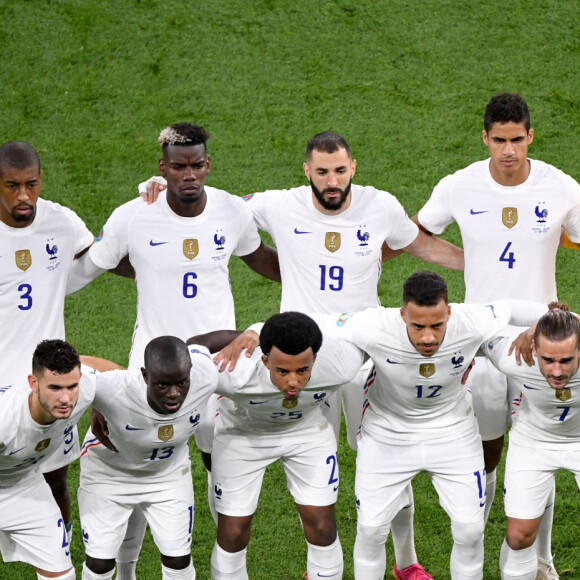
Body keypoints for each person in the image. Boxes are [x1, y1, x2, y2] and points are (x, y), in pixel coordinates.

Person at [141, 130, 465, 579]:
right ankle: (320, 564)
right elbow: (214, 203)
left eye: (339, 171)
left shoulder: (381, 205)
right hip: (304, 359)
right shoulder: (279, 204)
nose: (331, 181)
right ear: (307, 171)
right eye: (321, 172)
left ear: (353, 167)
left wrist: (480, 263)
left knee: (385, 453)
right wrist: (157, 189)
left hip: (363, 353)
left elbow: (420, 245)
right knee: (315, 457)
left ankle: (406, 561)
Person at [69, 123, 280, 579]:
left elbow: (259, 257)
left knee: (214, 458)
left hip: (218, 365)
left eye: (197, 165)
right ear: (162, 168)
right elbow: (92, 264)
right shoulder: (133, 215)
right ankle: (127, 567)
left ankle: (225, 566)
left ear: (208, 164)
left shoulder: (230, 212)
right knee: (140, 461)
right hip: (154, 370)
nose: (189, 174)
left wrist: (315, 276)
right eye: (179, 166)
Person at [414, 93, 580, 579]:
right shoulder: (459, 185)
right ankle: (475, 557)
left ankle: (542, 562)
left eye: (517, 140)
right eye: (499, 141)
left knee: (542, 446)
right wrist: (464, 260)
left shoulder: (561, 187)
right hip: (483, 343)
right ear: (485, 138)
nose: (509, 151)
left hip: (544, 345)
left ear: (530, 136)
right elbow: (414, 233)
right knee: (486, 452)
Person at [316, 271, 546, 579]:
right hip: (387, 434)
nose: (428, 337)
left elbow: (511, 307)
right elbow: (313, 323)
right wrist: (254, 332)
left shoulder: (470, 320)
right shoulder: (374, 325)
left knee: (470, 530)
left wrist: (548, 322)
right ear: (402, 315)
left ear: (449, 312)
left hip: (452, 432)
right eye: (418, 326)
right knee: (370, 531)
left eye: (437, 325)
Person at [191, 312, 365, 580]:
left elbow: (370, 330)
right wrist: (237, 335)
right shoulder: (233, 372)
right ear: (264, 360)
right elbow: (187, 350)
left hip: (305, 433)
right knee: (232, 532)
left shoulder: (341, 362)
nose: (293, 381)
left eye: (302, 370)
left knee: (322, 525)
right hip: (242, 437)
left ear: (315, 359)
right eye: (282, 371)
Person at [0, 141, 95, 548]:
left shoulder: (61, 222)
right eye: (12, 186)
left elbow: (101, 255)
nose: (24, 196)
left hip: (49, 379)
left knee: (56, 476)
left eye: (31, 184)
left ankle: (59, 549)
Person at [78, 336, 219, 580]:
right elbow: (70, 365)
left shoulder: (205, 377)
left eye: (181, 383)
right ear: (144, 376)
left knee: (178, 560)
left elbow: (200, 342)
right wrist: (97, 401)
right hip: (109, 474)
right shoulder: (112, 388)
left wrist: (252, 335)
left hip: (167, 475)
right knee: (99, 564)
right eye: (162, 385)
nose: (174, 394)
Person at [482, 306, 580, 579]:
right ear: (534, 349)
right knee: (518, 537)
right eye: (548, 360)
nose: (557, 371)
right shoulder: (513, 356)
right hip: (533, 442)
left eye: (566, 360)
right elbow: (469, 338)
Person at [0, 339, 98, 580]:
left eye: (71, 386)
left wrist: (107, 407)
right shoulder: (5, 420)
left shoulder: (83, 389)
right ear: (33, 383)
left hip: (24, 485)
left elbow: (120, 380)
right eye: (55, 388)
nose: (66, 398)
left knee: (62, 575)